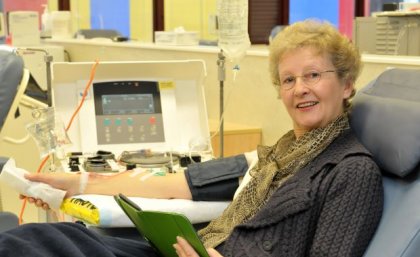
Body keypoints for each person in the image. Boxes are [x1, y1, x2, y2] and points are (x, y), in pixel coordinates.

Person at [0, 19, 383, 257]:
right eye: (288, 79)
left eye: (314, 75)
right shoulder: (277, 155)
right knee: (44, 236)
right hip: (190, 248)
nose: (299, 89)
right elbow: (177, 182)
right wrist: (73, 183)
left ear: (347, 84)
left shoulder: (350, 171)